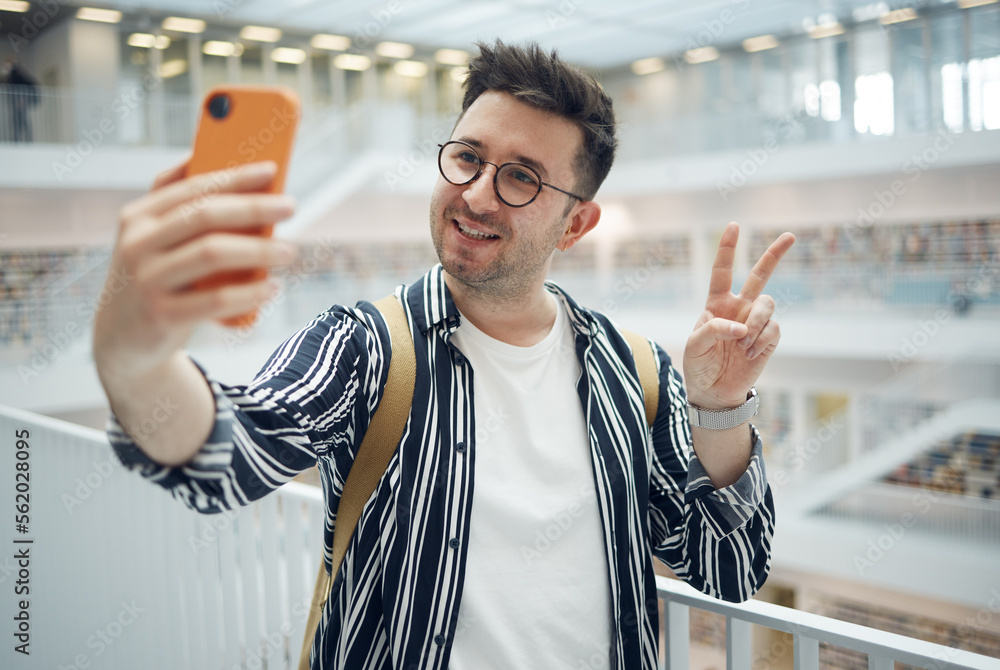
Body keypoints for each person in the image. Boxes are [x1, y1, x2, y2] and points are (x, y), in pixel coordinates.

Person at [94, 40, 794, 670]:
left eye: (521, 177)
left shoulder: (632, 371)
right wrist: (135, 359)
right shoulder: (366, 348)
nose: (476, 194)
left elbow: (729, 569)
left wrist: (722, 407)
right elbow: (225, 453)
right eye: (466, 157)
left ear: (576, 223)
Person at [2, 57, 38, 142]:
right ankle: (17, 140)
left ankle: (26, 140)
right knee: (16, 121)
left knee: (21, 121)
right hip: (15, 103)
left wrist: (23, 100)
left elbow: (29, 86)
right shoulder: (11, 75)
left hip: (20, 103)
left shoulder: (19, 75)